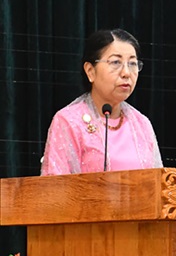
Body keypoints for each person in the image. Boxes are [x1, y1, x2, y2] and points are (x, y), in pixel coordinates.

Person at [42, 29, 163, 175]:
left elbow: (158, 183)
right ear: (90, 71)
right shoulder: (68, 121)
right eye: (116, 62)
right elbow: (54, 184)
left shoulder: (141, 124)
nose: (126, 73)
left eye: (132, 63)